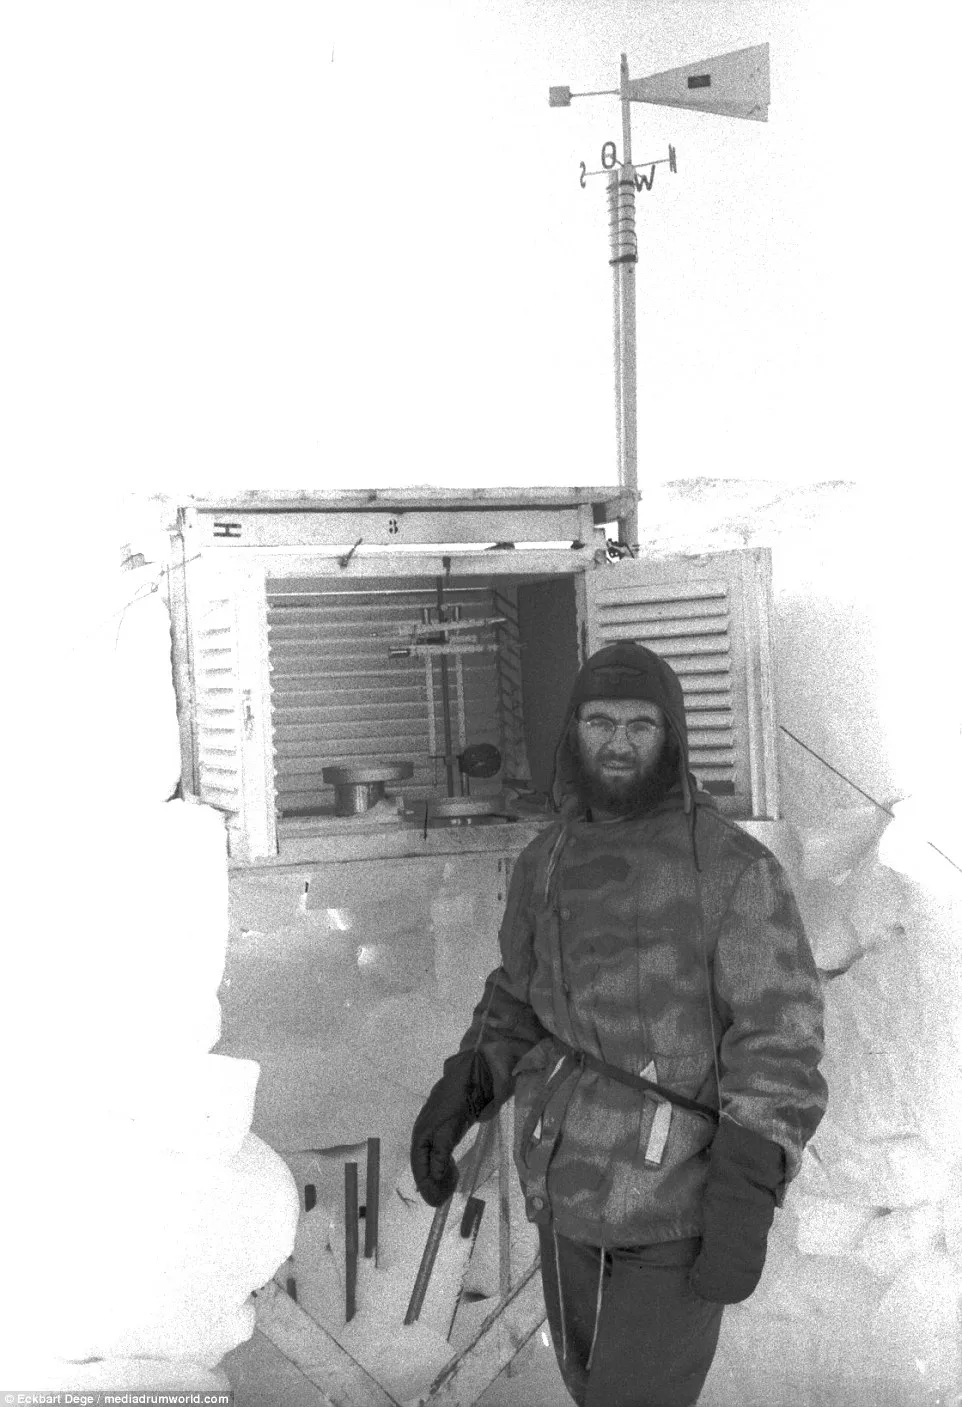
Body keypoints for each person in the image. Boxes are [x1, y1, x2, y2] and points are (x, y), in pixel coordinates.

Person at [410, 642, 827, 1407]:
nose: (619, 742)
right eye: (600, 722)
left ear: (672, 737)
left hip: (672, 1207)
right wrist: (456, 1100)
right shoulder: (546, 859)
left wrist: (744, 1194)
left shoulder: (730, 868)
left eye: (641, 724)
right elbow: (518, 999)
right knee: (592, 1392)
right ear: (573, 731)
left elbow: (780, 1040)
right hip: (564, 1193)